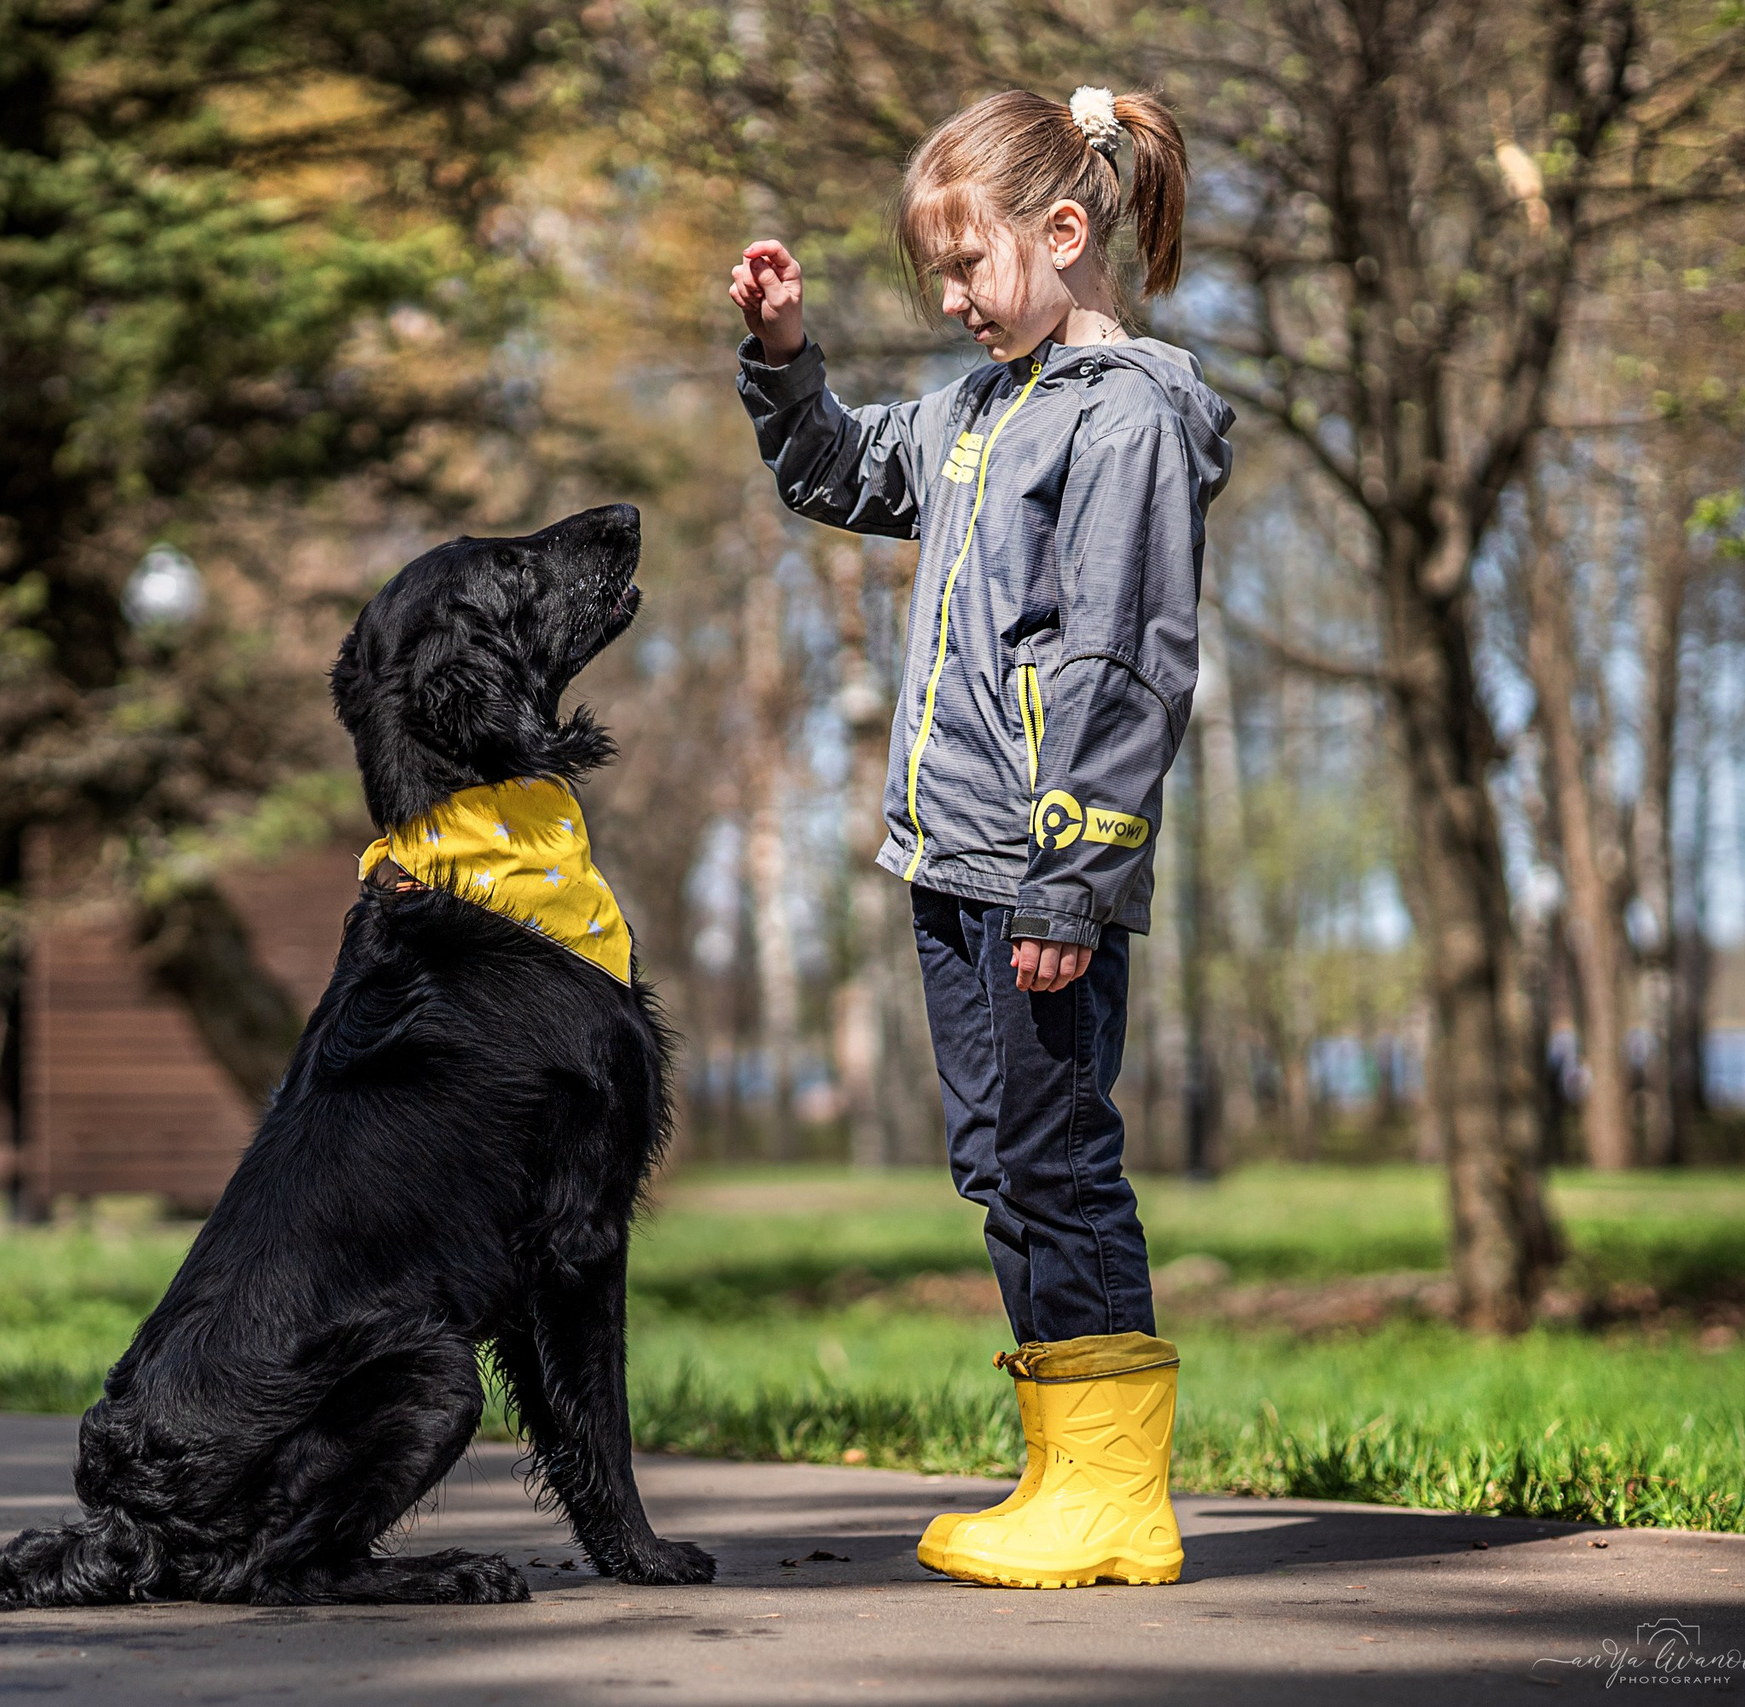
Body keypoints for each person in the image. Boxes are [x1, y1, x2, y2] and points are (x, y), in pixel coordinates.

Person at [728, 86, 1232, 1590]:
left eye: (967, 266)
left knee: (1057, 1159)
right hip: (950, 860)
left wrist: (1073, 881)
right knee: (1002, 1165)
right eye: (934, 273)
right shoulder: (972, 414)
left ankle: (1118, 1496)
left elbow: (1123, 662)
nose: (949, 300)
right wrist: (783, 357)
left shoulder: (1127, 417)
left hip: (1041, 869)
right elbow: (834, 470)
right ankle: (1065, 1471)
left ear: (1064, 233)